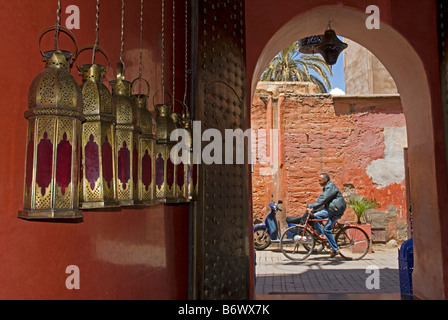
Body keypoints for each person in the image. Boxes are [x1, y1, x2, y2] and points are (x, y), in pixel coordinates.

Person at [306, 173, 346, 258]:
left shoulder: (330, 187)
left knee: (327, 229)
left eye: (320, 180)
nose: (319, 182)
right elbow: (323, 201)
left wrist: (313, 206)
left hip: (336, 210)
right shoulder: (327, 187)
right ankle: (322, 234)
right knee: (316, 216)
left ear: (325, 180)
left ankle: (335, 249)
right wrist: (314, 208)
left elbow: (323, 199)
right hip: (331, 209)